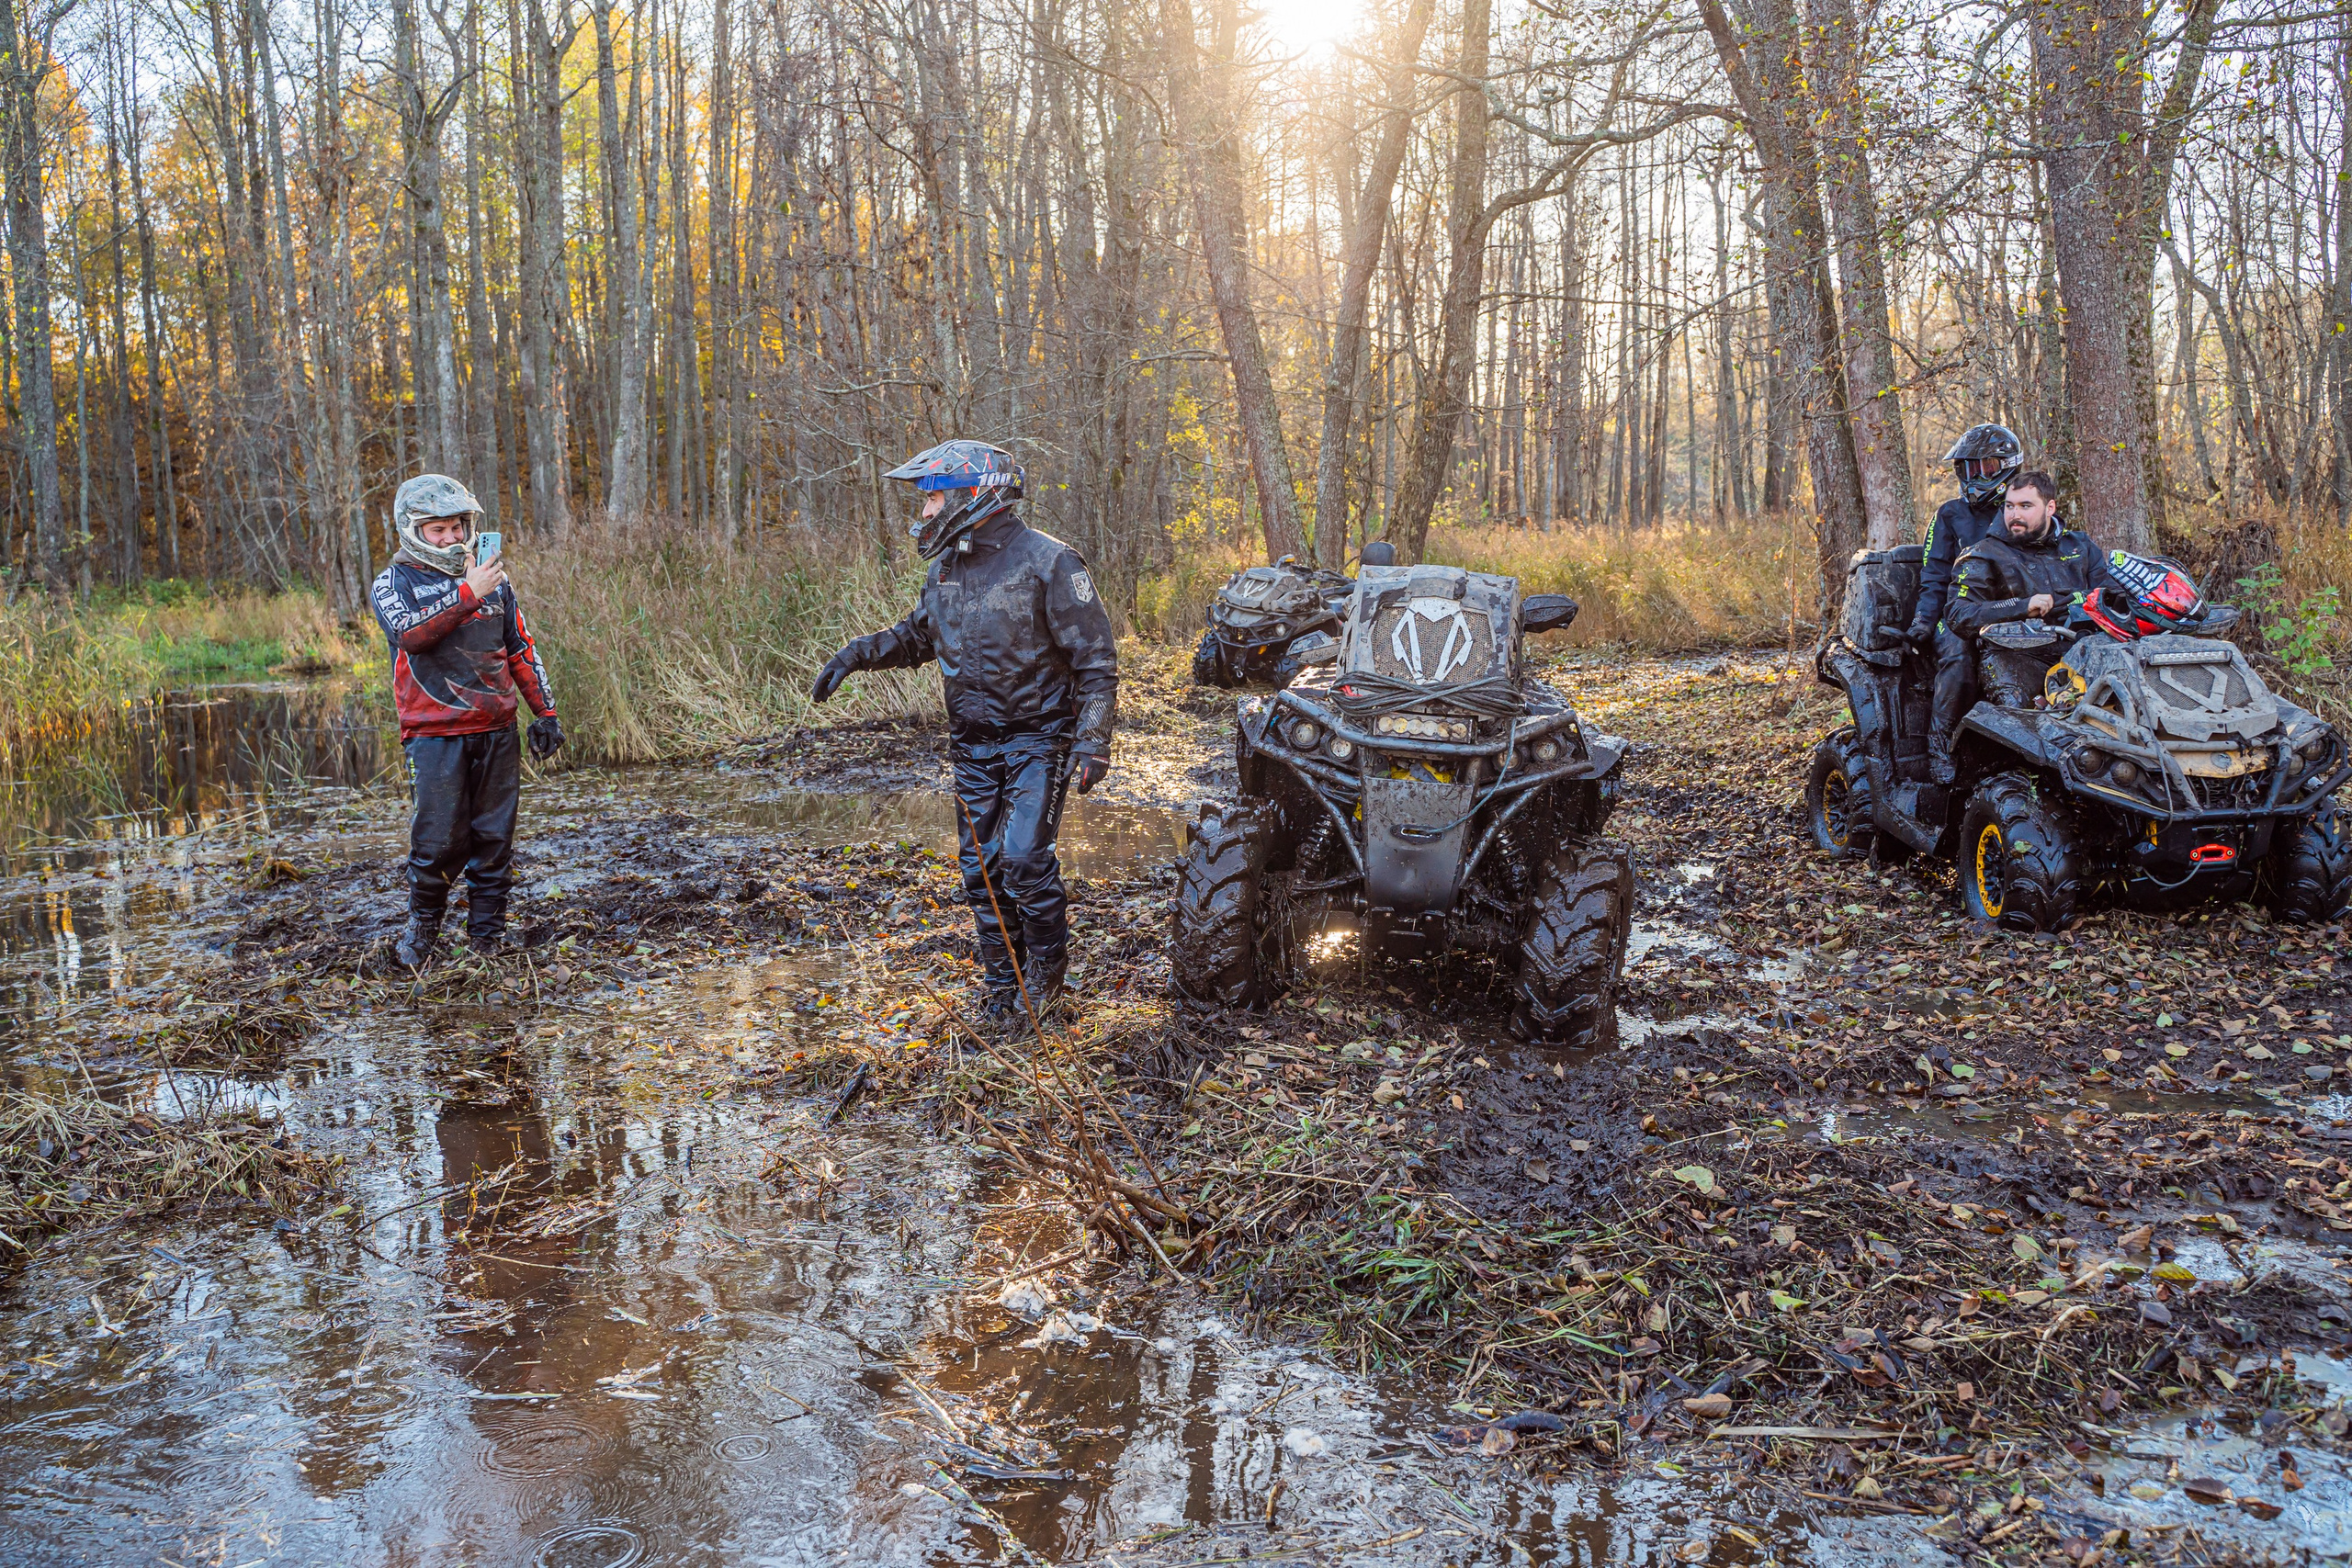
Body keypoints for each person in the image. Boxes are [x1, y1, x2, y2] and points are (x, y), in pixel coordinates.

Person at [809, 441, 1117, 1023]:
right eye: (926, 502)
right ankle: (1004, 989)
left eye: (933, 499)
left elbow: (1096, 662)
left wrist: (1092, 739)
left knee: (1023, 857)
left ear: (975, 494)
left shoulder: (1051, 562)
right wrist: (856, 654)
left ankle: (1047, 981)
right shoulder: (947, 569)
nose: (925, 513)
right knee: (982, 872)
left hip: (1040, 740)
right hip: (972, 745)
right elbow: (918, 637)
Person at [370, 475, 564, 967]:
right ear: (414, 531)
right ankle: (422, 934)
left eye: (458, 526)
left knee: (495, 841)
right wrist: (467, 593)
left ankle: (486, 941)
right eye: (438, 530)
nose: (452, 538)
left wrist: (545, 712)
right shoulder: (393, 582)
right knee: (437, 842)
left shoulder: (495, 582)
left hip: (497, 730)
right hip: (434, 735)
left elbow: (520, 646)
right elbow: (411, 634)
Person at [1942, 470, 2122, 715]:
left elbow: (2111, 595)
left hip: (2087, 652)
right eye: (2009, 506)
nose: (2015, 515)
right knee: (2023, 721)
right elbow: (1958, 614)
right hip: (2016, 657)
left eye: (2025, 506)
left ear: (2050, 507)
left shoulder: (2080, 546)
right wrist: (2022, 606)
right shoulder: (1983, 554)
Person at [1913, 423, 2023, 784]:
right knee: (1959, 658)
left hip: (2016, 610)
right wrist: (1924, 623)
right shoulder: (1950, 514)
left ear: (2007, 468)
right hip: (1960, 613)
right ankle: (1940, 744)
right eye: (1967, 469)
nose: (1975, 478)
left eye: (1985, 468)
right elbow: (1934, 573)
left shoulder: (2022, 510)